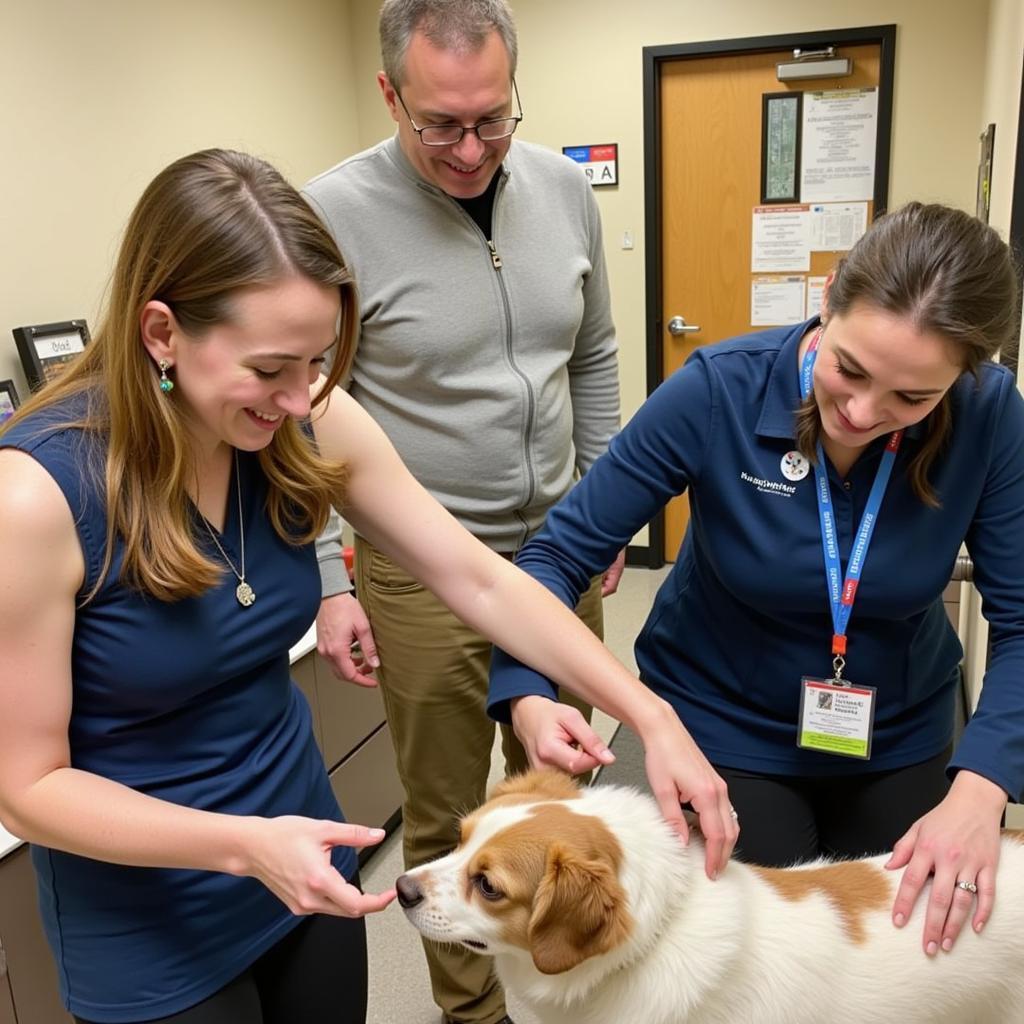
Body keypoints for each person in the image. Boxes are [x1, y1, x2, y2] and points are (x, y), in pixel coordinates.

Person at [0, 149, 735, 1024]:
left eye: (317, 364)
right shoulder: (38, 496)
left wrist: (651, 717)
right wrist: (242, 847)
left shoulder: (297, 420)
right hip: (152, 919)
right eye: (272, 368)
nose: (302, 398)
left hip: (306, 859)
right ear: (162, 334)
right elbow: (26, 786)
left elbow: (479, 579)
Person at [489, 202, 1024, 962]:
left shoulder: (990, 415)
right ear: (830, 295)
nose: (863, 413)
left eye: (912, 399)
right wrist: (528, 692)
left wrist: (982, 790)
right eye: (850, 370)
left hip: (899, 726)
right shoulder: (718, 391)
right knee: (759, 963)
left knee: (902, 959)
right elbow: (557, 556)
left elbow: (1022, 619)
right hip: (726, 724)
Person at [302, 2, 625, 1021]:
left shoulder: (564, 189)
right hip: (418, 564)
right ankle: (473, 1014)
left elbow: (595, 352)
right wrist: (328, 575)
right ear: (390, 92)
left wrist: (603, 500)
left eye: (494, 119)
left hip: (557, 554)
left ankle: (570, 995)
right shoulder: (328, 217)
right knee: (447, 817)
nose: (472, 148)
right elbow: (298, 404)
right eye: (441, 125)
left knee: (562, 797)